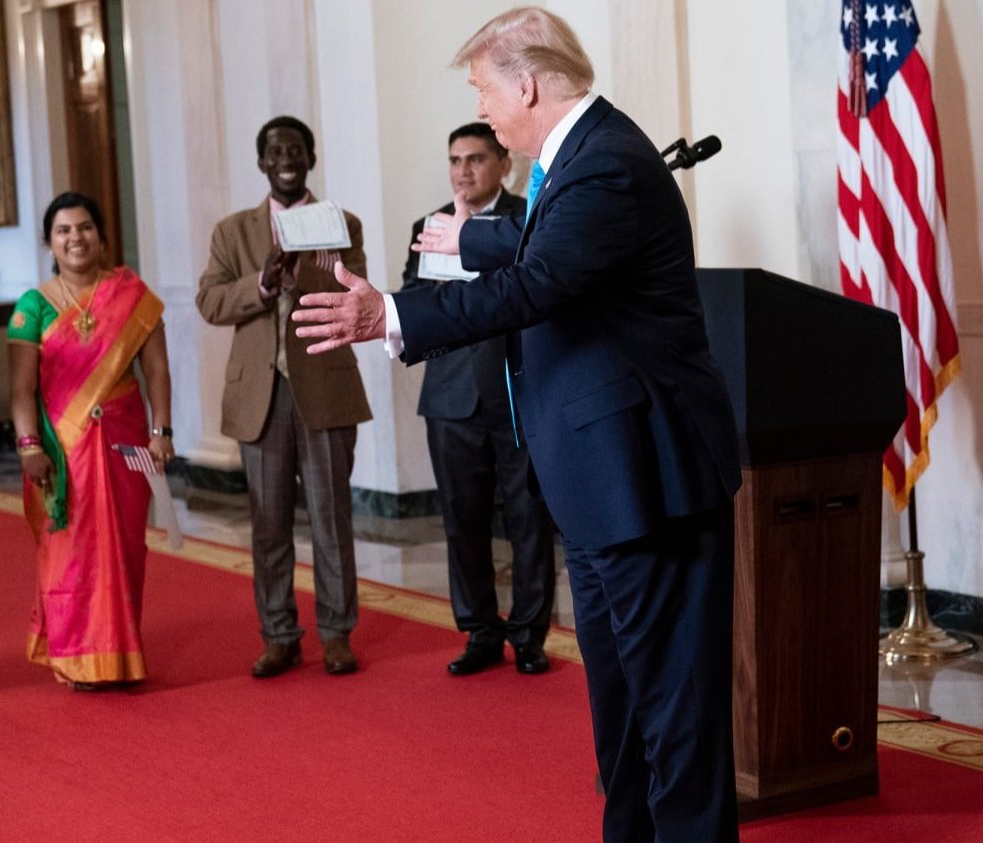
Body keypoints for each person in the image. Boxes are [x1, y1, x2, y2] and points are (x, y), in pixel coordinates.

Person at [293, 8, 742, 841]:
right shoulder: (577, 159)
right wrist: (478, 237)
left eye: (483, 91)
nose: (484, 111)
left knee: (674, 726)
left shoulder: (604, 165)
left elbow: (540, 283)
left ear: (526, 84)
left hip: (650, 483)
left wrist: (391, 313)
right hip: (606, 484)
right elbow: (543, 244)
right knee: (625, 717)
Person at [195, 115, 373, 678]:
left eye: (296, 150)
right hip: (260, 396)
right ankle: (279, 634)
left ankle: (337, 633)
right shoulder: (233, 232)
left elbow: (357, 296)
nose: (287, 159)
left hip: (324, 384)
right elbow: (210, 302)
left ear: (311, 159)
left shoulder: (341, 223)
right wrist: (264, 284)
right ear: (262, 163)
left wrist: (303, 278)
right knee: (268, 523)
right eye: (275, 152)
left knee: (330, 518)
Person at [404, 122, 557, 677]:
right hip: (450, 396)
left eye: (475, 159)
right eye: (454, 160)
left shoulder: (530, 218)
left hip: (519, 390)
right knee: (461, 521)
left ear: (503, 164)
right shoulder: (430, 225)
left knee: (528, 518)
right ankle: (478, 632)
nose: (463, 171)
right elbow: (415, 301)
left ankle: (531, 635)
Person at [7, 192, 173, 690]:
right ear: (49, 242)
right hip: (62, 447)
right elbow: (21, 388)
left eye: (84, 228)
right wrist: (29, 445)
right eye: (63, 231)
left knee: (124, 549)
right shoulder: (32, 306)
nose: (75, 238)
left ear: (101, 235)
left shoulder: (132, 295)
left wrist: (162, 431)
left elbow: (158, 369)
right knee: (68, 553)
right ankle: (76, 655)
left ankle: (119, 655)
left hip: (124, 442)